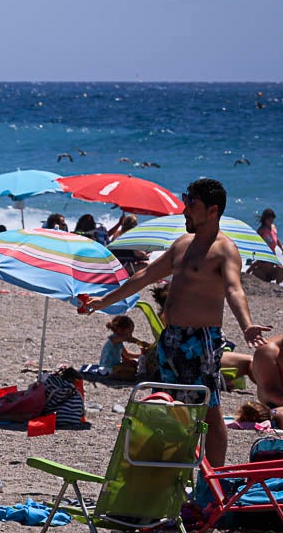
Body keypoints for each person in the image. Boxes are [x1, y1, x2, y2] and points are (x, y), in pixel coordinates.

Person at [86, 178, 269, 467]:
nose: (185, 209)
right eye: (186, 201)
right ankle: (172, 472)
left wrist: (247, 325)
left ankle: (213, 480)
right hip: (170, 339)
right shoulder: (182, 244)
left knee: (208, 408)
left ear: (212, 210)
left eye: (191, 204)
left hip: (201, 340)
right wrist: (104, 302)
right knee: (168, 405)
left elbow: (234, 289)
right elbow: (144, 277)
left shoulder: (224, 249)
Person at [248, 208, 283, 284]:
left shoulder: (273, 227)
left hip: (272, 253)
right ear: (265, 219)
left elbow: (276, 238)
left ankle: (277, 284)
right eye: (269, 220)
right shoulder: (261, 230)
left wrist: (281, 247)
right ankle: (248, 274)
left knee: (280, 269)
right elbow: (255, 241)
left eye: (272, 219)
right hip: (264, 253)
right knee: (261, 264)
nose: (271, 221)